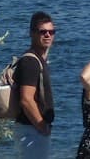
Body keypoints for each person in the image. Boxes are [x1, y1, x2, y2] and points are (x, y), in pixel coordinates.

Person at [14, 11, 58, 157]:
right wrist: (41, 126)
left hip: (32, 129)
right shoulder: (31, 62)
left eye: (51, 32)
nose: (48, 35)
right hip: (31, 130)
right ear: (32, 33)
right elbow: (26, 99)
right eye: (43, 32)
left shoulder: (39, 60)